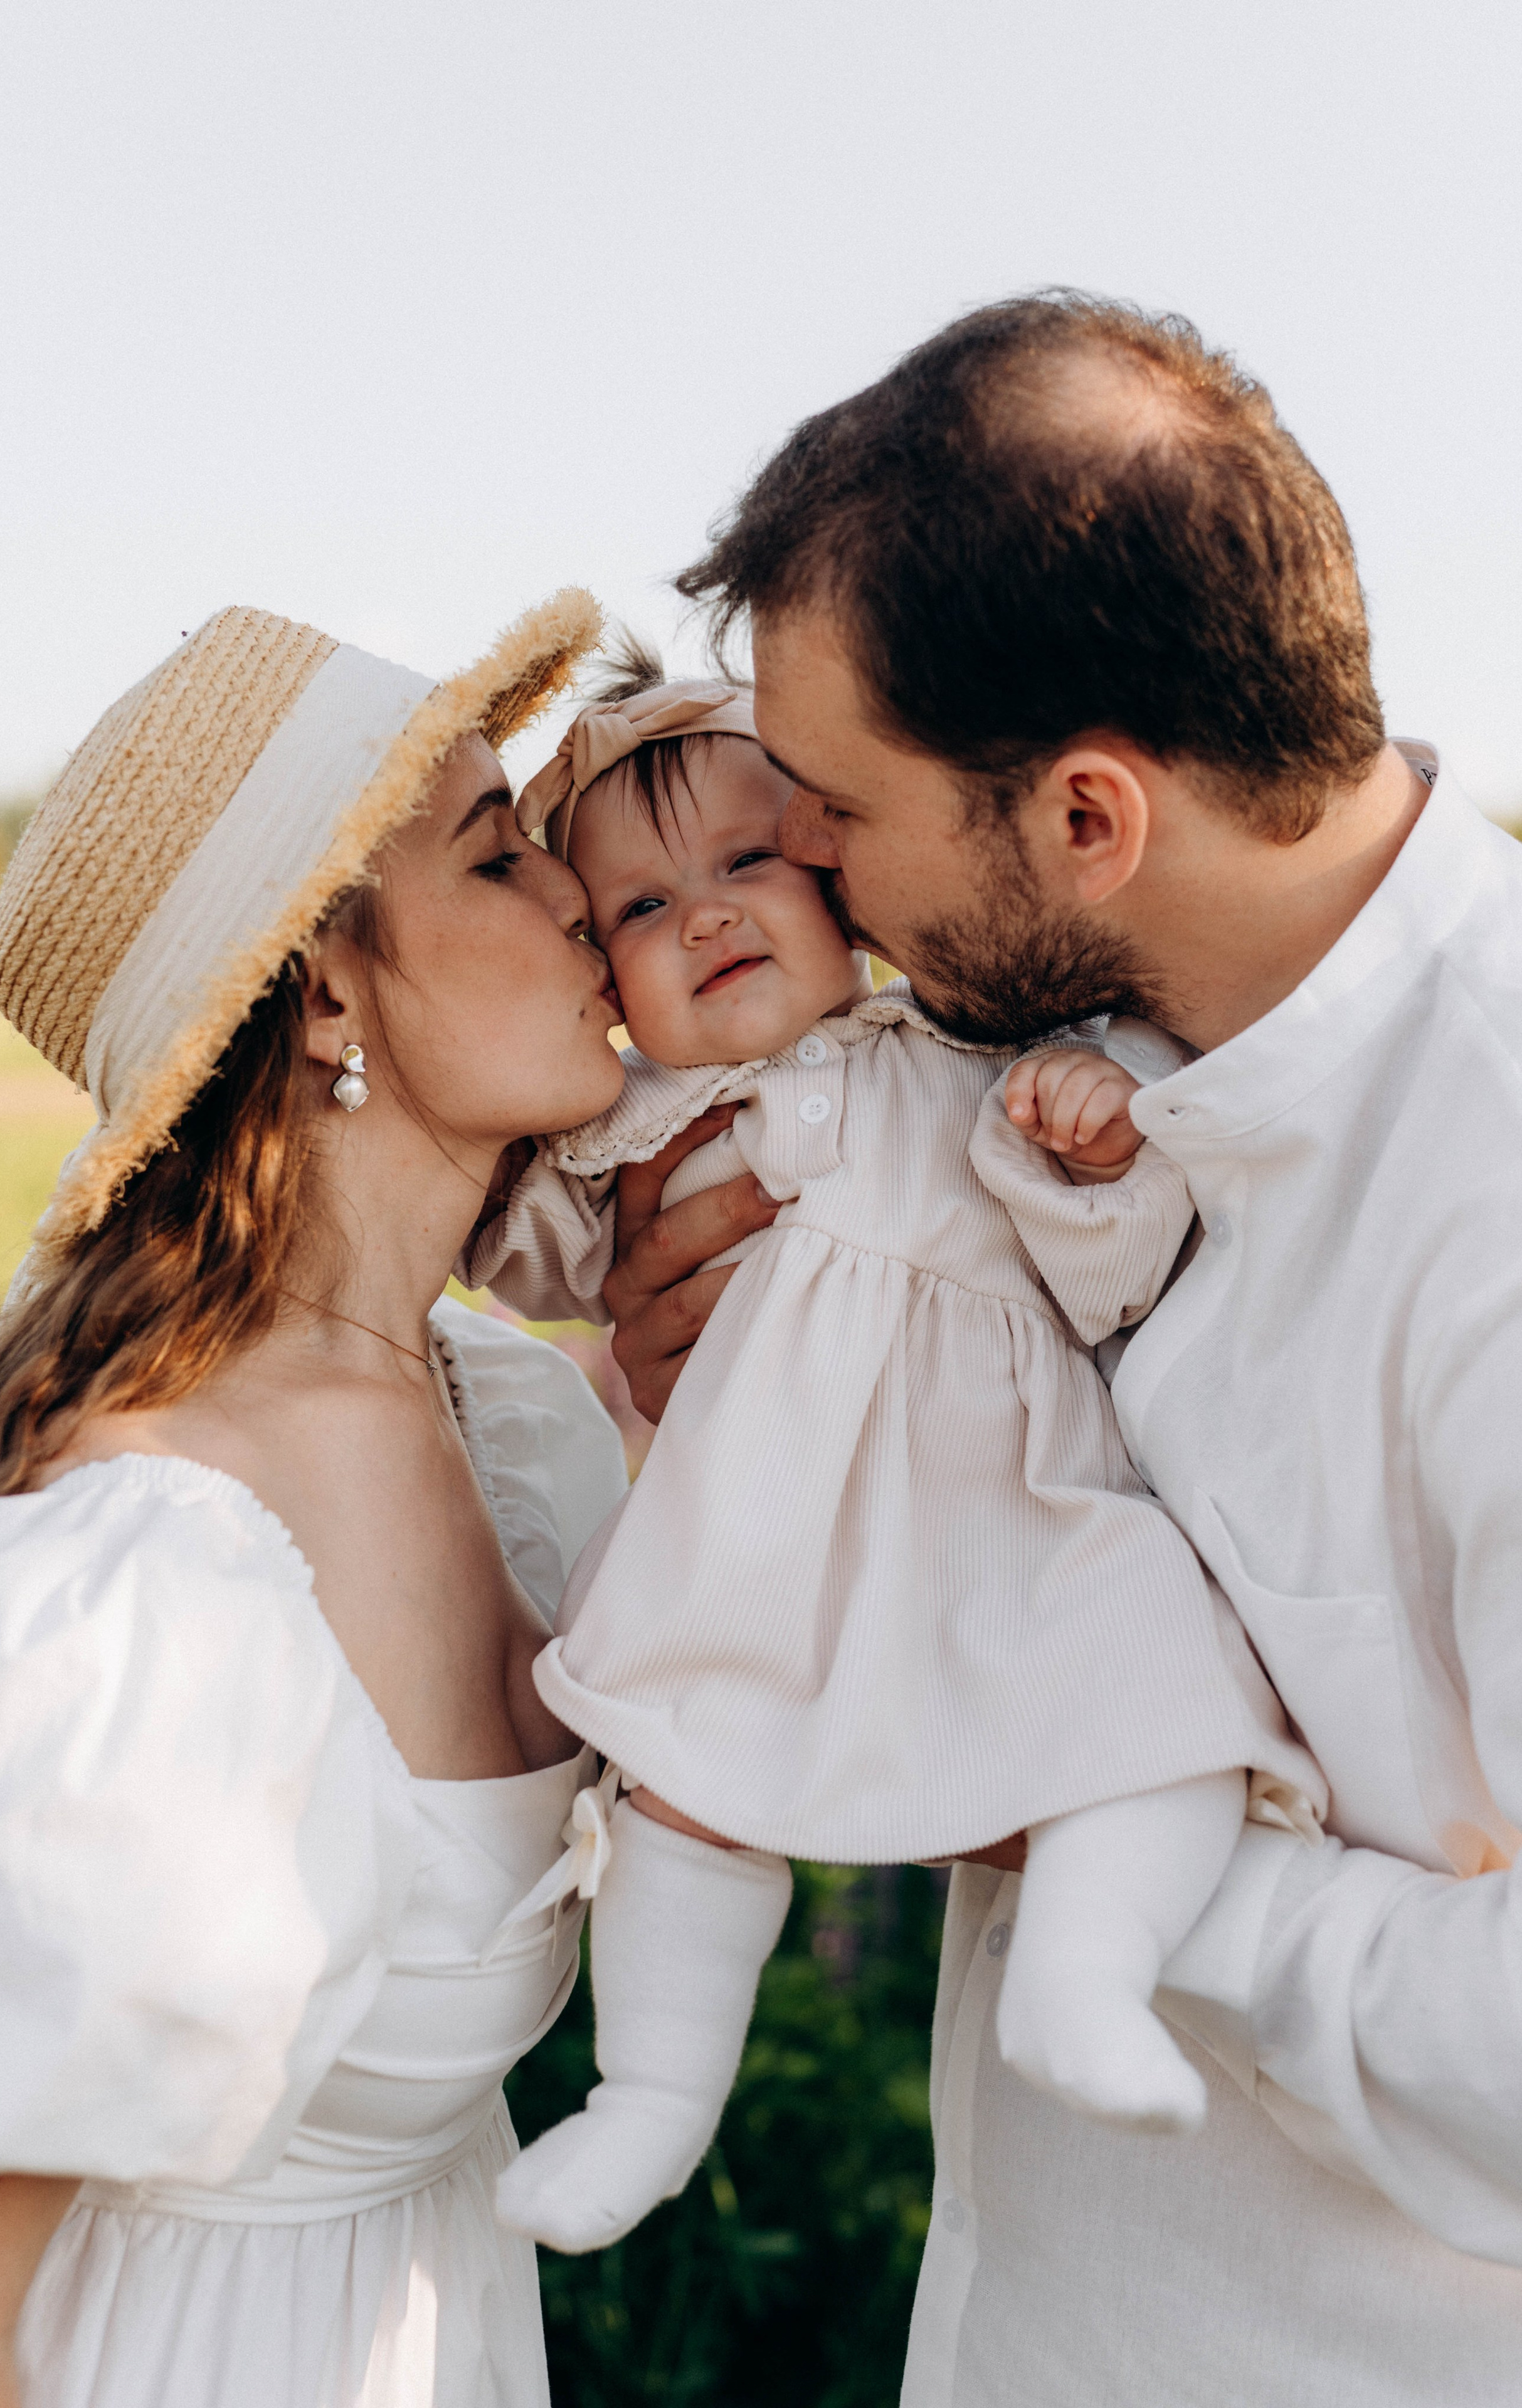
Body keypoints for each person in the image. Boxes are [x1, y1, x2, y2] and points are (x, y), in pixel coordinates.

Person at [606, 292, 1522, 2404]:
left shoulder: (1482, 1213)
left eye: (832, 803)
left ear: (1088, 820)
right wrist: (751, 1421)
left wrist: (1066, 1790)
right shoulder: (1051, 1074)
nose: (800, 861)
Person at [462, 642, 1320, 2256]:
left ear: (841, 878)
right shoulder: (646, 1128)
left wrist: (1086, 1150)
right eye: (639, 911)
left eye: (743, 864)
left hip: (1013, 1511)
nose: (703, 916)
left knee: (1160, 1703)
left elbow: (1115, 1271)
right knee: (680, 1785)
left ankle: (1083, 1975)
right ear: (607, 983)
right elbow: (517, 1244)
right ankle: (650, 2096)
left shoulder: (960, 1057)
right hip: (763, 1532)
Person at [0, 595, 632, 2408]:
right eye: (496, 855)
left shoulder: (514, 1419)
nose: (573, 898)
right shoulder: (147, 1557)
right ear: (325, 984)